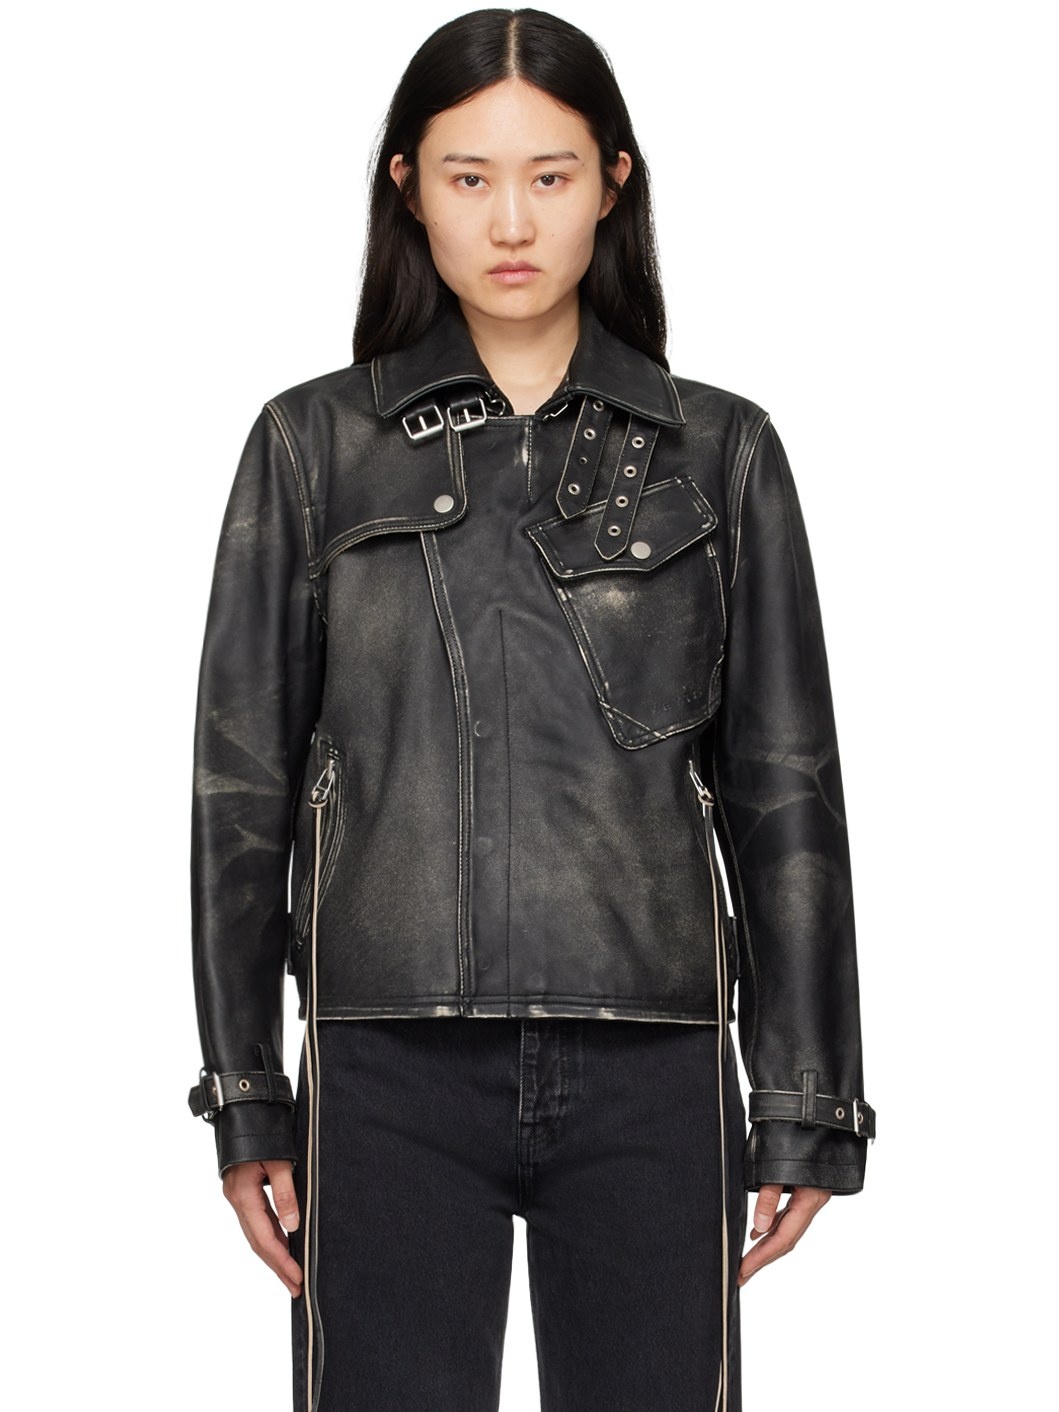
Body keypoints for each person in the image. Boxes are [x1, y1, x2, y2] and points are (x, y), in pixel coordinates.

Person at [186, 9, 877, 1410]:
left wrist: (807, 1099)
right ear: (407, 186)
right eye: (469, 176)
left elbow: (787, 788)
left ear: (614, 183)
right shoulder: (311, 447)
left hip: (654, 1065)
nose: (512, 221)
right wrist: (248, 1088)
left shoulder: (721, 450)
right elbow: (240, 789)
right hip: (384, 1062)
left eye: (550, 175)